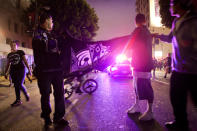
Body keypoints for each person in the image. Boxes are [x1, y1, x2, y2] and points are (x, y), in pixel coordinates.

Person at [153, 0, 197, 130]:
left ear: (180, 4)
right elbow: (170, 38)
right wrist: (158, 36)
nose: (170, 7)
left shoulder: (193, 20)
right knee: (176, 98)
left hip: (193, 70)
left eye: (172, 4)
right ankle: (181, 124)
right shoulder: (175, 22)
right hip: (178, 70)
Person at [32, 11, 69, 126]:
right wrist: (59, 43)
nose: (52, 23)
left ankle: (59, 117)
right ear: (46, 21)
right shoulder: (37, 35)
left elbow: (62, 46)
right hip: (44, 71)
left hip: (57, 69)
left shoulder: (53, 34)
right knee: (45, 95)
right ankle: (47, 116)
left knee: (60, 94)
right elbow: (47, 46)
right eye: (51, 20)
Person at [126, 13, 154, 121]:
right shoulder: (146, 31)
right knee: (137, 85)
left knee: (145, 87)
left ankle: (150, 111)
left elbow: (129, 44)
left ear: (136, 21)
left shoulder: (139, 31)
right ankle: (137, 106)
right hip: (141, 64)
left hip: (142, 64)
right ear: (145, 21)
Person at [5, 41, 31, 106]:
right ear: (10, 46)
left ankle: (26, 94)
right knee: (16, 85)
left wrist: (29, 69)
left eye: (14, 45)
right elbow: (8, 64)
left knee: (19, 84)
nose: (13, 46)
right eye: (12, 45)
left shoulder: (20, 52)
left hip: (21, 70)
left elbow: (25, 61)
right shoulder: (9, 55)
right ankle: (18, 100)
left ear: (16, 46)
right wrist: (6, 73)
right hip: (13, 71)